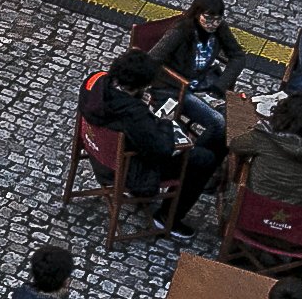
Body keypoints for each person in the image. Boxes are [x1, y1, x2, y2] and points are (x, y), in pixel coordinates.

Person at [84, 48, 213, 235]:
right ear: (140, 85)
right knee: (203, 158)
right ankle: (167, 217)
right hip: (127, 170)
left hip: (96, 152)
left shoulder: (95, 80)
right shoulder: (134, 114)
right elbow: (160, 150)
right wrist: (166, 124)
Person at [147, 0, 238, 144]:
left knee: (234, 120)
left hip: (203, 84)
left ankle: (212, 158)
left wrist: (221, 85)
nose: (213, 24)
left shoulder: (220, 28)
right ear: (197, 14)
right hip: (176, 89)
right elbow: (152, 58)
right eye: (208, 19)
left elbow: (238, 56)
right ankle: (195, 158)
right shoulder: (181, 31)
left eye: (218, 19)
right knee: (218, 122)